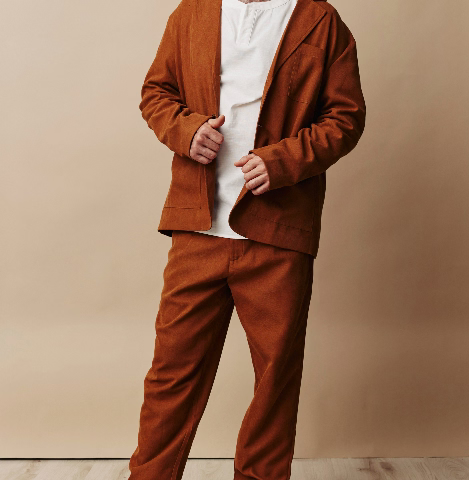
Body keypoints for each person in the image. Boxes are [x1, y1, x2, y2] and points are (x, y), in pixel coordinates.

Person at [128, 0, 366, 477]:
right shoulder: (191, 13)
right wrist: (186, 130)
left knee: (275, 379)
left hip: (279, 229)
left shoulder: (320, 21)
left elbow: (345, 117)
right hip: (197, 223)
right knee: (171, 373)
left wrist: (283, 162)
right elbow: (156, 92)